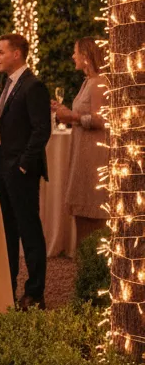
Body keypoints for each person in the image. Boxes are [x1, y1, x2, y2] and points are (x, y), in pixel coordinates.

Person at [0, 32, 51, 310]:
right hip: (2, 166)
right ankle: (8, 286)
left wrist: (23, 165)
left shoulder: (33, 85)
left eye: (1, 52)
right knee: (7, 230)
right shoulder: (9, 84)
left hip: (21, 170)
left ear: (17, 54)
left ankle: (35, 293)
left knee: (29, 230)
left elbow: (42, 130)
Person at [52, 37, 109, 245]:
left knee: (91, 211)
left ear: (86, 56)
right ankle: (84, 264)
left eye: (76, 52)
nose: (73, 56)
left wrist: (72, 117)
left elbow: (102, 120)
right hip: (82, 153)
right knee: (81, 213)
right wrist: (63, 110)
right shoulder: (87, 82)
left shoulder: (99, 83)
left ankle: (91, 265)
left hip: (93, 157)